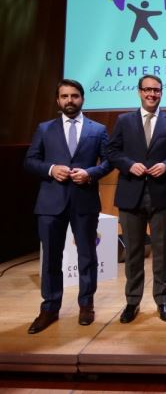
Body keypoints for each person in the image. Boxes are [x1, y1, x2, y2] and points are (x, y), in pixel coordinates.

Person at [24, 79, 112, 334]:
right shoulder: (44, 129)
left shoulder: (98, 129)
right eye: (64, 96)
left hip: (84, 200)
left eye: (74, 96)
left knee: (87, 255)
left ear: (82, 99)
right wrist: (51, 169)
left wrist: (91, 173)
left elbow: (108, 162)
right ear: (58, 100)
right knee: (51, 258)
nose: (69, 100)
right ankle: (50, 307)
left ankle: (86, 304)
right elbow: (30, 161)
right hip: (50, 203)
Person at [108, 74, 166, 324]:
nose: (152, 94)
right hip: (130, 194)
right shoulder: (124, 121)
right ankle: (132, 302)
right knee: (132, 252)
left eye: (156, 90)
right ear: (139, 92)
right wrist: (128, 165)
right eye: (147, 90)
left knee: (161, 251)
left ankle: (162, 299)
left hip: (161, 195)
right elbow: (112, 151)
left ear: (161, 92)